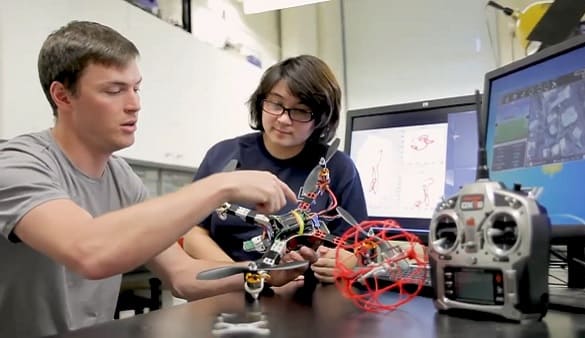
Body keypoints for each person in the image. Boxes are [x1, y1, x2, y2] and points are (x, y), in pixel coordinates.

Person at [0, 21, 311, 338]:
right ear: (63, 96)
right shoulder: (17, 164)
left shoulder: (122, 177)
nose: (134, 104)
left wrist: (267, 272)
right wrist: (220, 185)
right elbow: (87, 251)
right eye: (114, 90)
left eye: (136, 88)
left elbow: (183, 275)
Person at [183, 55, 368, 284]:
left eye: (300, 111)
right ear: (261, 101)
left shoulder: (337, 168)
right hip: (226, 288)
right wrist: (246, 275)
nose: (283, 119)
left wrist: (345, 262)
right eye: (275, 104)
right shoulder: (223, 155)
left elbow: (358, 248)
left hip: (304, 297)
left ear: (320, 118)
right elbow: (193, 233)